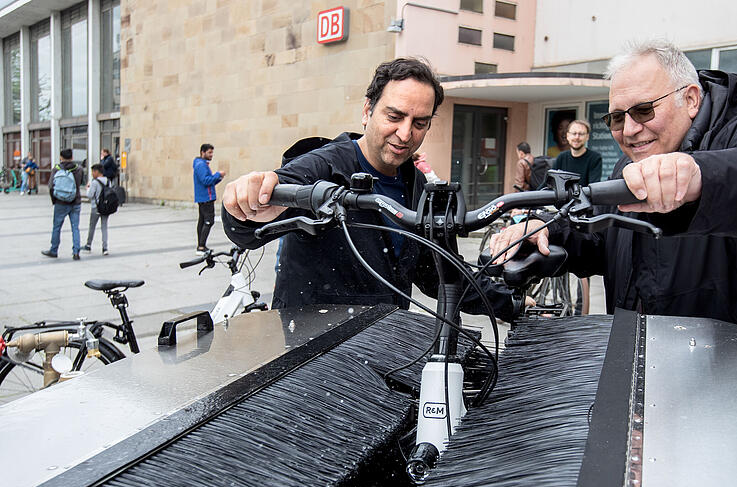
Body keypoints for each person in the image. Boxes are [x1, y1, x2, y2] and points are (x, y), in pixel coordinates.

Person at [490, 39, 737, 414]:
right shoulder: (631, 164)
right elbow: (605, 238)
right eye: (617, 118)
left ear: (692, 99)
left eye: (644, 111)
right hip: (670, 386)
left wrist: (702, 177)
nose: (630, 130)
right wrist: (546, 232)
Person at [222, 57, 525, 321]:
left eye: (419, 123)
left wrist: (510, 303)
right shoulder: (321, 167)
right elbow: (248, 229)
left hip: (384, 348)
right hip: (314, 356)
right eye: (394, 117)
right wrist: (244, 207)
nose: (405, 133)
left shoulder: (419, 187)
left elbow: (442, 273)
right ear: (367, 110)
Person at [42, 148, 84, 260]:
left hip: (60, 202)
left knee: (57, 227)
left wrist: (54, 200)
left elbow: (51, 186)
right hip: (75, 201)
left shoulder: (56, 169)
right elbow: (79, 183)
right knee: (75, 227)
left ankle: (54, 250)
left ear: (61, 157)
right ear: (72, 157)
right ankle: (76, 252)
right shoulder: (79, 169)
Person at [193, 143, 225, 255]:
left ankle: (201, 246)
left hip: (204, 197)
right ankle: (201, 247)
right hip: (206, 198)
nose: (211, 155)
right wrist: (217, 174)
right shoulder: (201, 165)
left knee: (202, 221)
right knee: (208, 221)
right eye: (209, 152)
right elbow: (205, 181)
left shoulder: (201, 164)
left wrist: (219, 177)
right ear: (203, 152)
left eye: (212, 152)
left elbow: (209, 182)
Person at [553, 120, 602, 187]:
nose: (577, 137)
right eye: (574, 133)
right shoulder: (561, 157)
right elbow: (549, 183)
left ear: (587, 137)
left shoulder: (594, 158)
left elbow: (593, 187)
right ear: (568, 136)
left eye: (581, 134)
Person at [83, 164, 111, 255]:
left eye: (93, 172)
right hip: (106, 207)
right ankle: (105, 248)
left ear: (97, 172)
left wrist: (87, 188)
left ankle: (88, 245)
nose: (92, 174)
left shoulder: (94, 182)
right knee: (104, 227)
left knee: (92, 226)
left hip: (96, 207)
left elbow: (90, 195)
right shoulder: (108, 181)